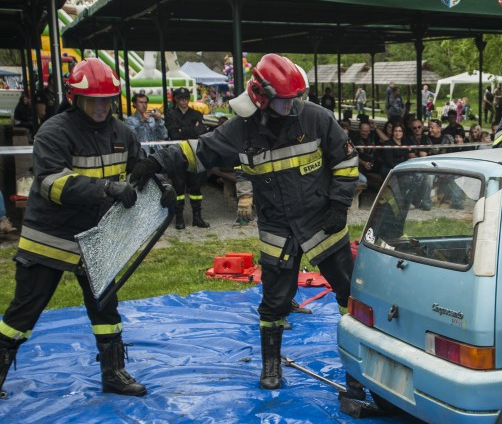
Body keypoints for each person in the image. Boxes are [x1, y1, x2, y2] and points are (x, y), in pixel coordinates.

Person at [131, 54, 357, 390]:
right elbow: (198, 152)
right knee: (275, 300)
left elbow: (347, 161)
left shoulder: (317, 119)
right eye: (284, 101)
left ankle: (358, 366)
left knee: (349, 294)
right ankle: (270, 367)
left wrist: (339, 205)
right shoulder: (242, 129)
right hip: (277, 229)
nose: (292, 106)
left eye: (295, 98)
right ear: (262, 100)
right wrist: (155, 163)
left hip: (323, 221)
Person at [0, 58, 175, 398]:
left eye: (107, 99)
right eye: (94, 99)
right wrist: (106, 189)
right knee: (24, 311)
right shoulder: (54, 131)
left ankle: (114, 374)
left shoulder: (122, 132)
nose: (100, 106)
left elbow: (140, 167)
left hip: (96, 237)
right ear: (75, 97)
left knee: (106, 308)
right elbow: (51, 183)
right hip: (50, 238)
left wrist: (161, 183)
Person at [166, 87, 210, 229]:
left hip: (194, 153)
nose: (184, 101)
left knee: (196, 187)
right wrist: (191, 129)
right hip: (178, 154)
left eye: (186, 98)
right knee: (179, 188)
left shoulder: (196, 113)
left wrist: (183, 130)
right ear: (176, 100)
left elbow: (201, 131)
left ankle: (197, 217)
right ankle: (179, 218)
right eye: (181, 98)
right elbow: (174, 134)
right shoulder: (171, 114)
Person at [126, 92, 167, 156]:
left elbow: (163, 135)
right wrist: (142, 121)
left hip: (156, 154)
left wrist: (159, 120)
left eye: (145, 102)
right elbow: (134, 139)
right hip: (141, 155)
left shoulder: (152, 119)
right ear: (134, 104)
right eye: (141, 102)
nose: (144, 105)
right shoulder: (129, 121)